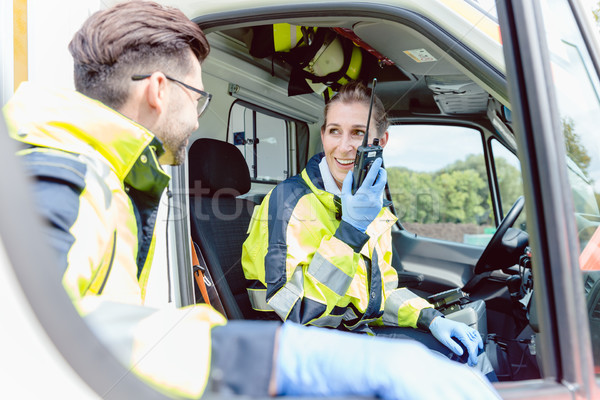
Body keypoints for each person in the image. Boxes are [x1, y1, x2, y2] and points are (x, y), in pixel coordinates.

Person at [2, 1, 500, 399]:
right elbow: (39, 346)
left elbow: (375, 291)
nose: (198, 119)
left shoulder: (111, 177)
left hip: (346, 336)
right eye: (198, 98)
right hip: (312, 338)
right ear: (159, 90)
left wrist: (428, 317)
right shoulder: (60, 179)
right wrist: (345, 240)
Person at [242, 80, 496, 379]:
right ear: (323, 135)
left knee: (471, 359)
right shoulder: (288, 202)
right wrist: (349, 232)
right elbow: (299, 314)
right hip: (299, 349)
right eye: (334, 131)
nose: (344, 146)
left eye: (358, 133)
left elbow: (378, 293)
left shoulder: (370, 206)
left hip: (352, 335)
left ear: (381, 142)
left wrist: (430, 317)